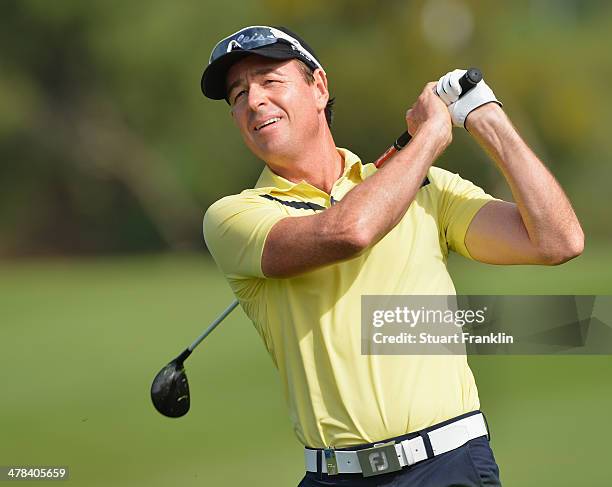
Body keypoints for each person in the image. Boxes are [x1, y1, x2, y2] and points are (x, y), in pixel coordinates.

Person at [200, 25, 584, 486]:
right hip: (332, 476)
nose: (254, 100)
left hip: (450, 465)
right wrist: (430, 138)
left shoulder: (428, 187)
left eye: (269, 80)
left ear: (318, 88)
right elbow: (350, 232)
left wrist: (485, 116)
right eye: (238, 94)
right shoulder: (234, 215)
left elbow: (557, 241)